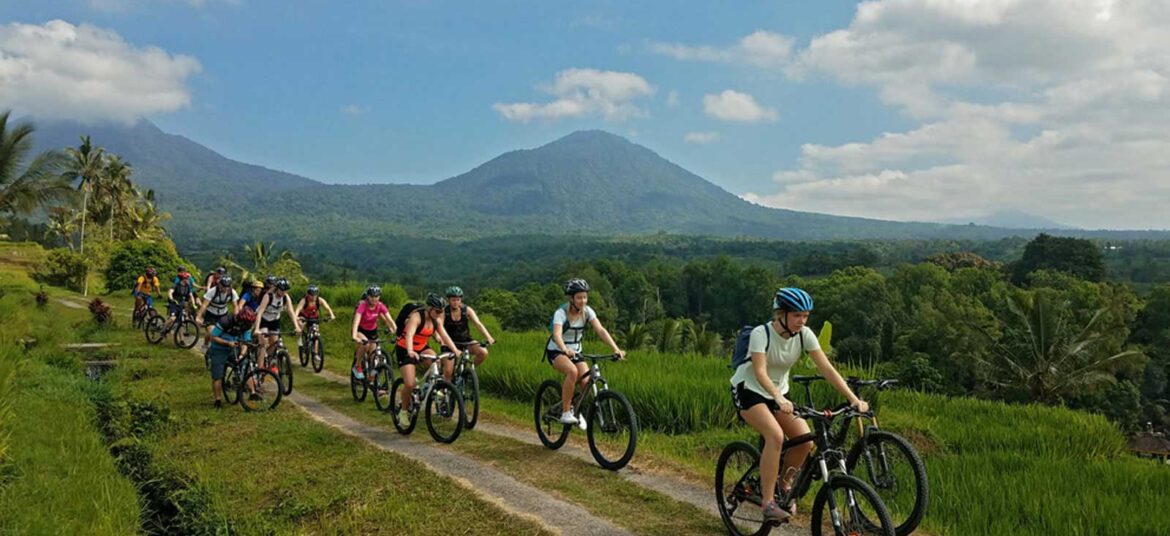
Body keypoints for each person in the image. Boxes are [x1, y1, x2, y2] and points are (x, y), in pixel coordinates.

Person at [729, 287, 869, 522]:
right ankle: (768, 503)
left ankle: (785, 488)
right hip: (749, 390)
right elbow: (760, 372)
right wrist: (778, 398)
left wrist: (853, 399)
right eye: (797, 316)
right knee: (775, 436)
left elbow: (827, 369)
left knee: (805, 441)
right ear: (781, 314)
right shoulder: (761, 334)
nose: (801, 321)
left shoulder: (805, 334)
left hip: (779, 393)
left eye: (805, 316)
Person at [545, 278, 625, 429]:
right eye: (579, 297)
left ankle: (576, 409)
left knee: (586, 381)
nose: (583, 301)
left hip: (576, 352)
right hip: (557, 351)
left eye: (585, 297)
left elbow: (601, 330)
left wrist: (616, 348)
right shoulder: (561, 313)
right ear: (571, 298)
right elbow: (557, 334)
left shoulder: (587, 312)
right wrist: (565, 349)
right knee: (572, 371)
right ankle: (565, 412)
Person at [394, 293, 460, 424]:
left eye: (441, 311)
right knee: (409, 383)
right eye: (437, 311)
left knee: (436, 360)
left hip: (422, 347)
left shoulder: (436, 320)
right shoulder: (416, 317)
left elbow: (445, 336)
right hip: (405, 348)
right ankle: (403, 411)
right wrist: (410, 350)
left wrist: (455, 350)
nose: (440, 313)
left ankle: (427, 388)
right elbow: (409, 335)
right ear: (429, 308)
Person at [206, 308, 256, 408]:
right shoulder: (225, 321)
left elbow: (245, 342)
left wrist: (242, 354)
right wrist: (227, 343)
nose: (245, 326)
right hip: (219, 349)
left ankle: (253, 393)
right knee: (217, 375)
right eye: (244, 324)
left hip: (234, 347)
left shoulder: (248, 324)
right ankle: (218, 400)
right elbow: (213, 337)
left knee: (245, 365)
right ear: (239, 319)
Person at [439, 286, 496, 367]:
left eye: (458, 300)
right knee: (448, 373)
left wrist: (489, 337)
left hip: (466, 341)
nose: (456, 302)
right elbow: (439, 327)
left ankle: (469, 371)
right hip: (449, 343)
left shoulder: (467, 310)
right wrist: (441, 340)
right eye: (453, 300)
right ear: (449, 300)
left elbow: (478, 324)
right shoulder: (444, 311)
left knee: (483, 352)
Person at [252, 277, 301, 370]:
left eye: (286, 290)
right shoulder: (268, 296)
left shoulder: (286, 298)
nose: (283, 292)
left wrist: (296, 326)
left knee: (274, 343)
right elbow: (260, 312)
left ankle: (269, 362)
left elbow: (291, 312)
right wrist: (257, 328)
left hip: (275, 320)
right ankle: (260, 369)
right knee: (263, 343)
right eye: (282, 290)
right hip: (264, 319)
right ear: (277, 288)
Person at [350, 286, 398, 379]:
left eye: (376, 296)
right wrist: (354, 335)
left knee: (374, 357)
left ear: (379, 297)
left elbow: (390, 320)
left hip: (372, 332)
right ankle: (357, 366)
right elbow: (356, 319)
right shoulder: (363, 305)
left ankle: (373, 383)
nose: (374, 299)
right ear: (368, 296)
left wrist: (396, 331)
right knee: (365, 344)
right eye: (372, 296)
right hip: (361, 330)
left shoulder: (380, 305)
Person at [196, 275, 238, 347]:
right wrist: (198, 317)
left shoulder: (232, 292)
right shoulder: (213, 291)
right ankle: (206, 345)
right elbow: (204, 305)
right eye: (223, 286)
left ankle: (216, 348)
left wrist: (236, 317)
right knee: (212, 333)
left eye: (227, 286)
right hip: (211, 314)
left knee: (222, 333)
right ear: (219, 284)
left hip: (223, 314)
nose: (225, 288)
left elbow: (235, 306)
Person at [295, 284, 336, 351]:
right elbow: (298, 309)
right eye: (311, 295)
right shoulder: (304, 301)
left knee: (316, 333)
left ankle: (315, 352)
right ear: (307, 294)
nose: (313, 297)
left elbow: (328, 308)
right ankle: (299, 339)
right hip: (303, 316)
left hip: (313, 317)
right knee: (300, 325)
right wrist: (296, 317)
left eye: (315, 295)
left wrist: (332, 315)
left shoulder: (319, 300)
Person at [162, 267, 198, 332]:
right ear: (183, 279)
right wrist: (171, 299)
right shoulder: (176, 285)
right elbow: (170, 292)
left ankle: (181, 341)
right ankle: (163, 330)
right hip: (174, 303)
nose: (188, 280)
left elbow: (191, 295)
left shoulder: (187, 286)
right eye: (187, 279)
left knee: (181, 322)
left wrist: (194, 304)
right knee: (173, 318)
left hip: (181, 303)